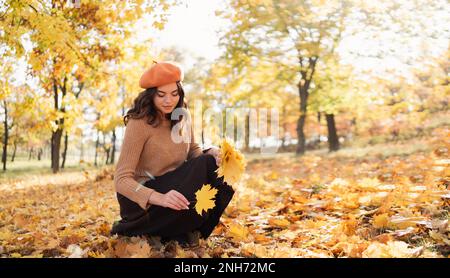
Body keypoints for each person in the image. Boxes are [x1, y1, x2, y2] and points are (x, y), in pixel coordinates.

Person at [110, 60, 235, 247]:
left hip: (176, 188)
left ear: (180, 93)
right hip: (141, 200)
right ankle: (135, 228)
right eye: (161, 95)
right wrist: (159, 197)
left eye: (174, 94)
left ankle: (190, 231)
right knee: (205, 165)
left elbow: (194, 152)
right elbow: (121, 180)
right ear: (151, 94)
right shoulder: (139, 123)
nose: (168, 100)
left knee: (218, 169)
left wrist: (212, 152)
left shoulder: (183, 115)